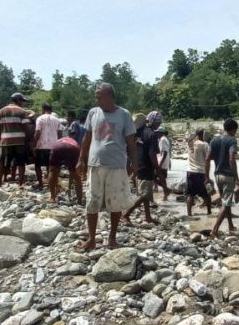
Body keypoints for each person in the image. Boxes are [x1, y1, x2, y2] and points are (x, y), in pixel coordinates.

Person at [77, 83, 136, 250]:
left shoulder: (124, 114)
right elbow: (87, 138)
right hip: (95, 164)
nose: (96, 99)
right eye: (96, 96)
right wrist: (81, 159)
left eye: (99, 96)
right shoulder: (93, 113)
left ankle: (112, 238)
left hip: (117, 165)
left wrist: (134, 162)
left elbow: (131, 142)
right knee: (92, 202)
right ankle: (92, 239)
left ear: (109, 96)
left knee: (115, 203)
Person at [124, 111, 162, 225]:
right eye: (158, 122)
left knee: (145, 194)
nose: (159, 124)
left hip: (138, 166)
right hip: (146, 167)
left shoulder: (137, 133)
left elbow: (130, 150)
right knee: (144, 194)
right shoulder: (152, 134)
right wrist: (158, 169)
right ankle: (126, 213)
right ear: (153, 122)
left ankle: (148, 216)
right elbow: (152, 155)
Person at [207, 119, 239, 237]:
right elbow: (232, 159)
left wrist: (206, 177)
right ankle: (214, 230)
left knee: (225, 201)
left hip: (217, 175)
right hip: (228, 175)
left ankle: (230, 225)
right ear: (233, 129)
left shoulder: (214, 140)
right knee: (226, 203)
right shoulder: (232, 140)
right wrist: (237, 178)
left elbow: (207, 158)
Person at [0, 93, 32, 187]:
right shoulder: (22, 111)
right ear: (18, 100)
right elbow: (26, 128)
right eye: (22, 101)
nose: (23, 103)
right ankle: (20, 184)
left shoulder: (1, 111)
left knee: (2, 163)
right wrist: (29, 141)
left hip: (5, 141)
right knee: (21, 163)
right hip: (19, 141)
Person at [33, 103, 62, 190]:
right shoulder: (57, 120)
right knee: (50, 166)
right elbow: (60, 134)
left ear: (43, 109)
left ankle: (40, 183)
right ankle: (50, 184)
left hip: (41, 146)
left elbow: (37, 133)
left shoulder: (40, 118)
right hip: (54, 146)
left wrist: (34, 145)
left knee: (37, 166)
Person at [48, 136, 84, 205]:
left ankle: (52, 197)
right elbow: (72, 172)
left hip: (57, 148)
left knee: (52, 171)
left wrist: (57, 185)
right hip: (73, 149)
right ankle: (79, 200)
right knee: (76, 175)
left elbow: (56, 171)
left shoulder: (58, 141)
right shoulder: (75, 142)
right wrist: (69, 186)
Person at [185, 130, 212, 216]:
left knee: (190, 195)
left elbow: (188, 137)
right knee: (206, 194)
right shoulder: (205, 145)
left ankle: (189, 214)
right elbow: (208, 159)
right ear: (203, 135)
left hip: (190, 171)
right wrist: (207, 177)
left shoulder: (190, 143)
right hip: (200, 172)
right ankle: (209, 212)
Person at [156, 127, 172, 201]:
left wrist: (160, 163)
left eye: (157, 132)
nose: (156, 134)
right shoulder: (164, 139)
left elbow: (164, 152)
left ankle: (166, 190)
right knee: (163, 179)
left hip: (162, 162)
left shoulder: (162, 140)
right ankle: (166, 194)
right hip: (164, 161)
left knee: (154, 177)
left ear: (161, 133)